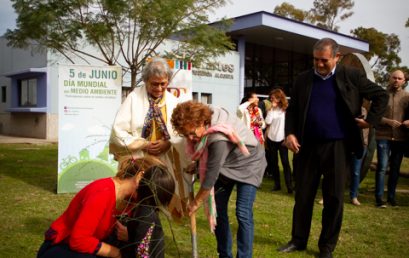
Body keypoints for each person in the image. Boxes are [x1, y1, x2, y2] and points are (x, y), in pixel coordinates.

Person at [278, 38, 388, 258]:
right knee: (303, 197)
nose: (319, 64)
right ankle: (298, 240)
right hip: (307, 146)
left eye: (324, 60)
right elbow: (293, 110)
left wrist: (370, 121)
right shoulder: (303, 79)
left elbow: (381, 95)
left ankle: (326, 247)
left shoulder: (352, 76)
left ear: (337, 57)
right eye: (315, 59)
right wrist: (289, 133)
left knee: (334, 198)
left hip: (338, 146)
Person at [171, 101, 267, 258]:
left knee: (243, 212)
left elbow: (211, 175)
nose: (190, 138)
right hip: (227, 164)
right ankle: (224, 254)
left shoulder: (218, 137)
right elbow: (210, 157)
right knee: (218, 210)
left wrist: (196, 202)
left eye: (192, 133)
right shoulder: (204, 121)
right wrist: (196, 166)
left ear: (201, 121)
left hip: (250, 163)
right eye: (185, 134)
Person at [37, 156, 175, 258]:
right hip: (61, 247)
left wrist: (130, 235)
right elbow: (78, 240)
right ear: (140, 177)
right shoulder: (102, 192)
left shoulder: (133, 202)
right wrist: (118, 253)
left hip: (92, 245)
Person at [109, 57, 190, 218]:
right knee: (135, 199)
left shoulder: (174, 102)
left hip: (164, 161)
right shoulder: (134, 98)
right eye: (154, 84)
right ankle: (129, 232)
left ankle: (149, 233)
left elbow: (182, 133)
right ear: (146, 81)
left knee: (157, 200)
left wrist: (168, 143)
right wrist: (143, 144)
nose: (159, 88)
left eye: (163, 83)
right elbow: (118, 131)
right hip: (137, 159)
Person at [374, 69, 409, 207]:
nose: (396, 80)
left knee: (395, 168)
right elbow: (374, 115)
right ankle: (379, 198)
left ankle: (391, 197)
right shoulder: (381, 95)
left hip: (400, 138)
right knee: (382, 167)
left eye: (399, 78)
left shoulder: (407, 97)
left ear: (404, 81)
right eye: (394, 77)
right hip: (383, 135)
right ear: (389, 78)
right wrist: (387, 121)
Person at [264, 88, 293, 193]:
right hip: (272, 138)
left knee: (285, 162)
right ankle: (277, 185)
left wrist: (288, 136)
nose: (271, 100)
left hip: (282, 140)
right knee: (274, 163)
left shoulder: (286, 109)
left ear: (279, 98)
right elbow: (267, 122)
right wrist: (271, 110)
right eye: (271, 98)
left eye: (273, 98)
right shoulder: (271, 110)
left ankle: (289, 186)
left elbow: (289, 124)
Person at [350, 101, 370, 206]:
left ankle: (354, 196)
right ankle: (327, 196)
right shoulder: (345, 106)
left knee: (356, 172)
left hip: (361, 144)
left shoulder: (365, 111)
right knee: (336, 169)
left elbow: (367, 127)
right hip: (344, 144)